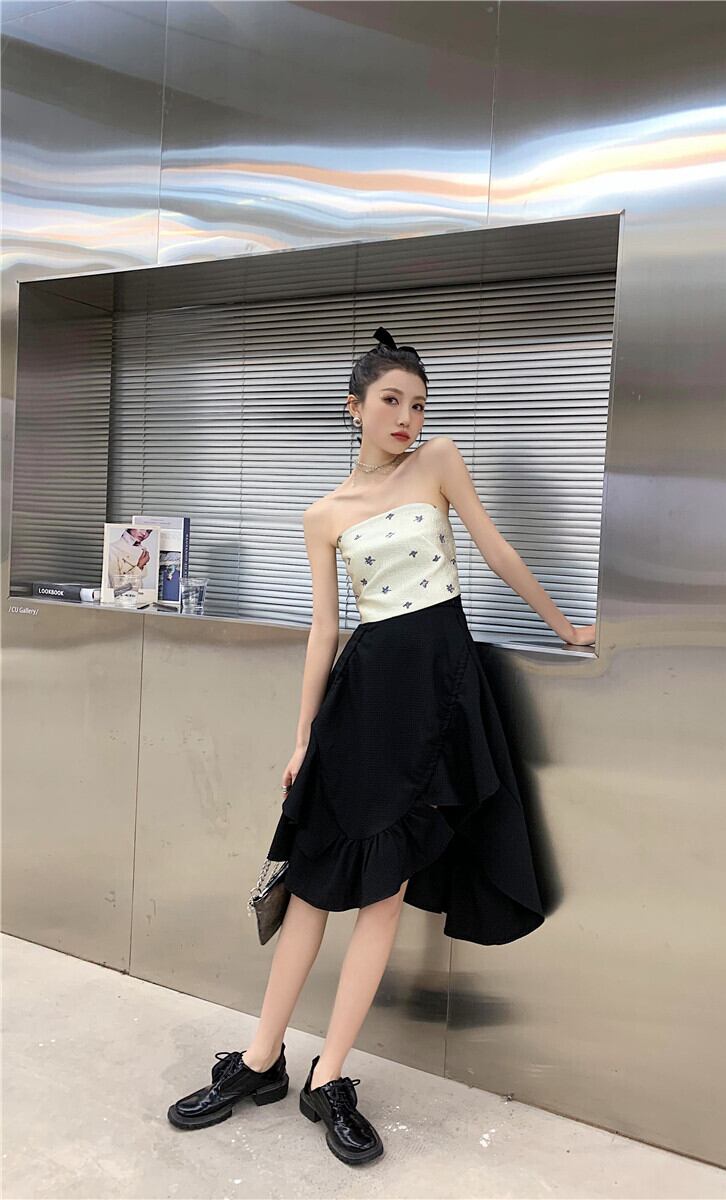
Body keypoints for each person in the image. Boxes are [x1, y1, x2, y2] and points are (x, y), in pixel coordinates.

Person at [167, 327, 596, 1165]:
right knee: (312, 886)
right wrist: (303, 737)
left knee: (384, 894)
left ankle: (328, 1077)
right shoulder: (323, 514)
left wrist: (565, 627)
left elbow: (496, 549)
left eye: (419, 404)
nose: (408, 417)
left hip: (436, 696)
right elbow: (324, 631)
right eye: (392, 401)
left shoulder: (438, 462)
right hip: (361, 702)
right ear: (354, 407)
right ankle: (260, 1060)